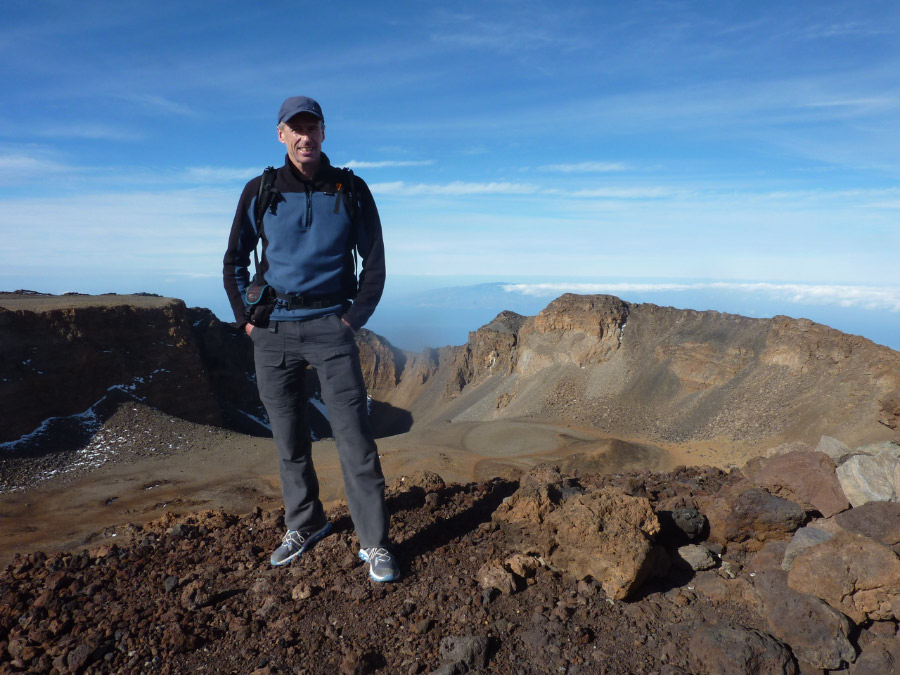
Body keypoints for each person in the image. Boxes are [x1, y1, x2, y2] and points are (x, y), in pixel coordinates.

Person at [223, 96, 398, 582]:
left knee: (354, 438)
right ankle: (305, 522)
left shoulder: (350, 188)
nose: (305, 137)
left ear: (324, 132)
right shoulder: (260, 190)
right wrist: (247, 322)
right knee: (289, 437)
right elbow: (233, 260)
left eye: (312, 127)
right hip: (272, 330)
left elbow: (375, 262)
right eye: (294, 129)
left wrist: (351, 319)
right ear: (281, 135)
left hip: (330, 328)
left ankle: (374, 543)